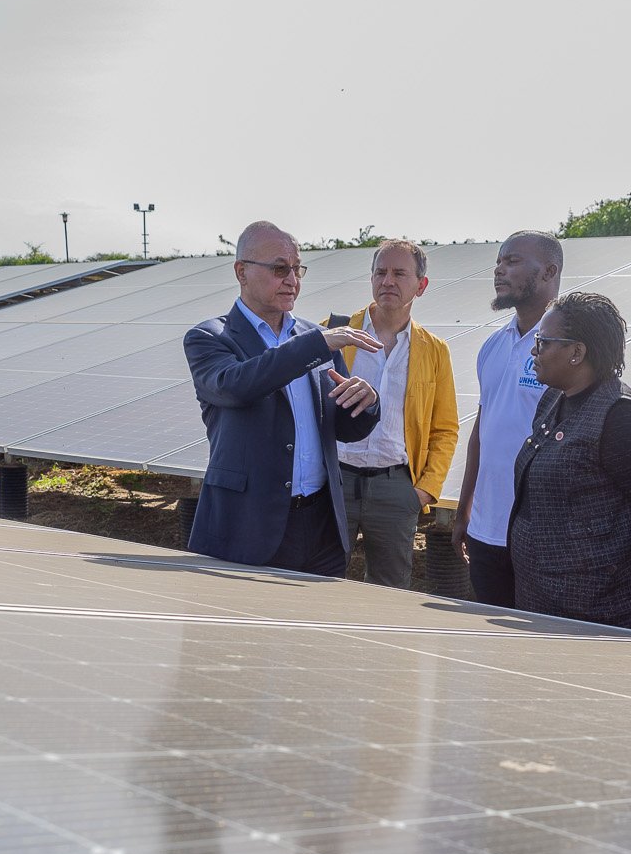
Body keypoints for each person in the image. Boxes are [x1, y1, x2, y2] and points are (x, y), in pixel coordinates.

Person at [183, 221, 382, 575]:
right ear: (241, 272)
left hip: (321, 526)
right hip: (249, 527)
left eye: (297, 268)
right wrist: (318, 344)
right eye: (279, 269)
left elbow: (341, 428)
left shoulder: (317, 336)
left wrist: (366, 403)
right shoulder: (210, 338)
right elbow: (238, 385)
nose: (292, 279)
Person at [508, 292, 631, 628]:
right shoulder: (553, 400)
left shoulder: (622, 417)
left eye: (543, 342)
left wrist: (619, 563)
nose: (534, 350)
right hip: (540, 596)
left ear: (577, 352)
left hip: (599, 608)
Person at [331, 240, 461, 588]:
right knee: (319, 581)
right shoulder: (336, 333)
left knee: (388, 594)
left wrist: (423, 490)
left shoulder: (434, 351)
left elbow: (445, 429)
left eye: (399, 273)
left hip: (396, 488)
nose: (388, 281)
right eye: (381, 272)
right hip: (335, 483)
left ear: (421, 285)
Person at [454, 230, 561, 606]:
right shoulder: (494, 346)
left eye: (512, 261)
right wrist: (464, 509)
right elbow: (482, 434)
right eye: (498, 261)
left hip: (541, 536)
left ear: (549, 271)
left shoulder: (570, 351)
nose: (499, 270)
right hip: (486, 531)